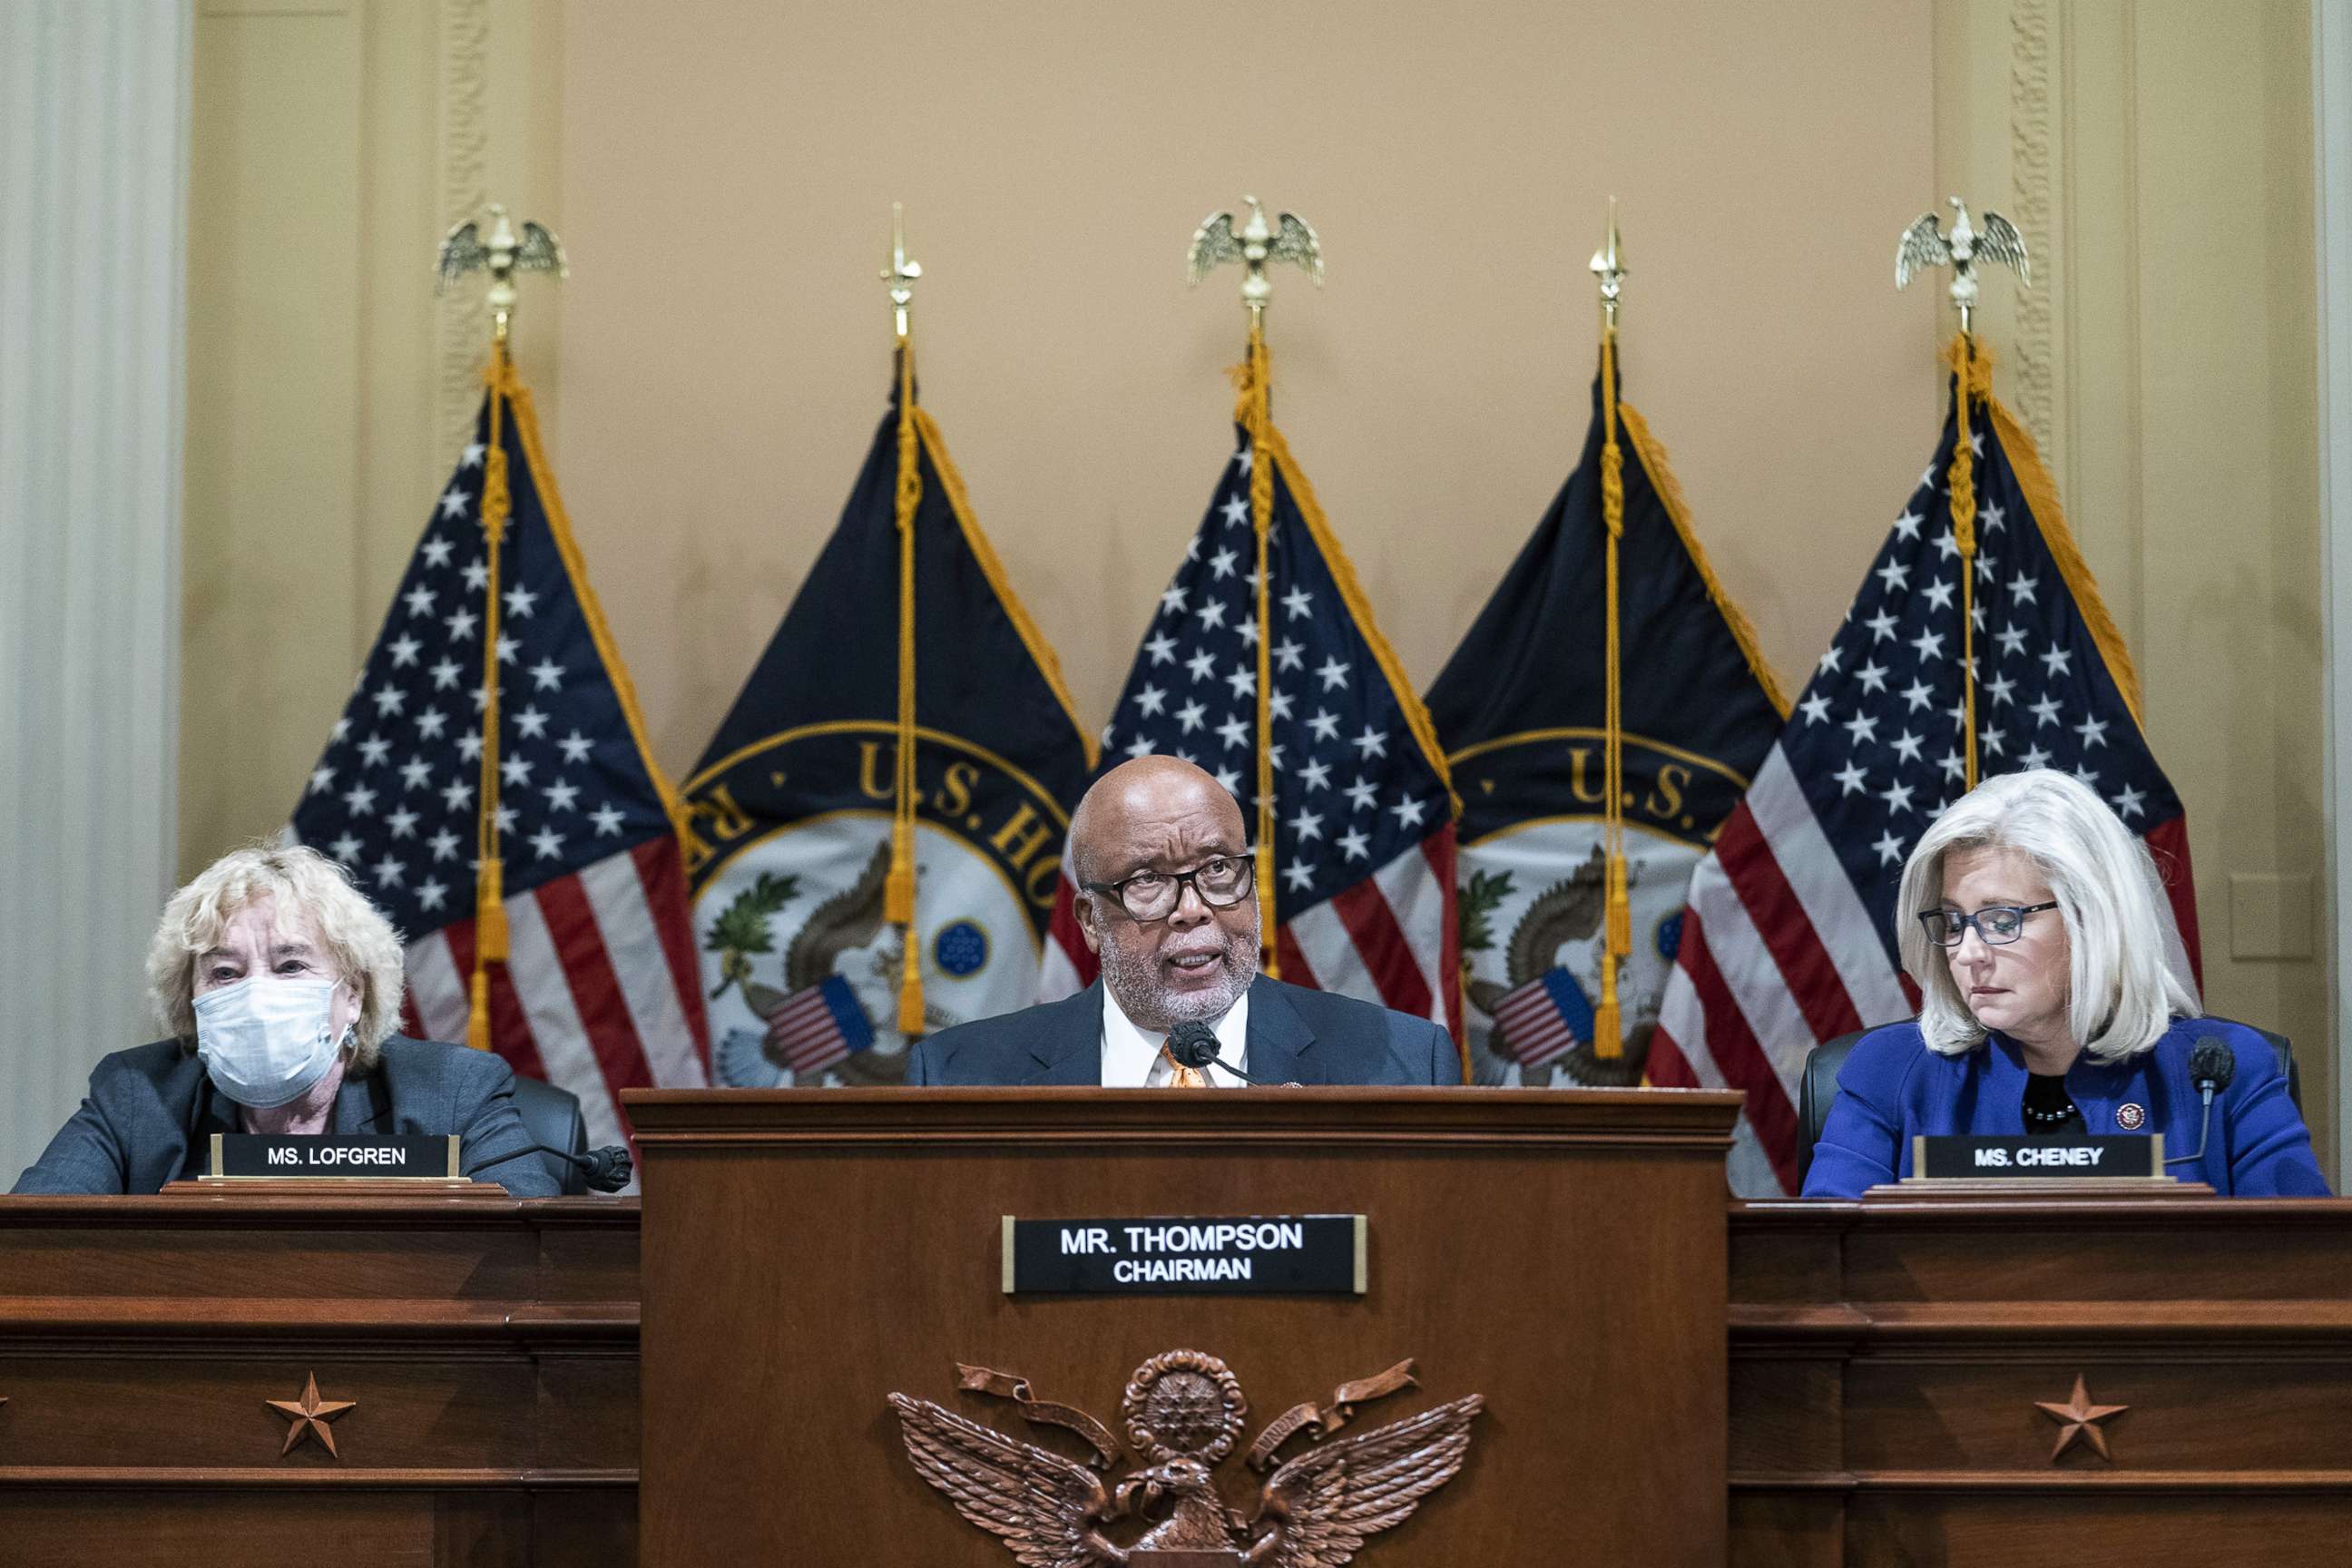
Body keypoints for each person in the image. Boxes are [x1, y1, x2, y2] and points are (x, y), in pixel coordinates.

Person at [1803, 769, 2328, 1198]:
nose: (1967, 954)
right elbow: (1821, 1269)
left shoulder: (2223, 1073)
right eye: (1954, 921)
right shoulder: (1890, 1072)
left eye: (2002, 921)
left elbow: (2303, 1271)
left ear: (2091, 920)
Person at [14, 844, 559, 1195]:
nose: (256, 995)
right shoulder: (136, 1097)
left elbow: (532, 1252)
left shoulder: (453, 1092)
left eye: (291, 965)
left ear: (352, 996)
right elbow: (32, 1241)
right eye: (225, 973)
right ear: (191, 1003)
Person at [907, 756, 1458, 1087]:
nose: (1192, 909)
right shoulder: (961, 1076)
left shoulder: (1404, 1064)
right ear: (1090, 920)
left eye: (1219, 868)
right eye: (1146, 880)